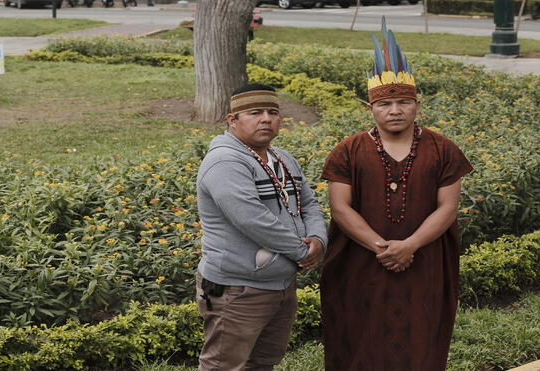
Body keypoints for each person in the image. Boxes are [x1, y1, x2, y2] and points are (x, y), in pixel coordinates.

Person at [320, 18, 473, 370]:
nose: (395, 110)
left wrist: (410, 246)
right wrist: (383, 248)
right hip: (361, 263)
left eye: (404, 102)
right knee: (360, 336)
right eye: (385, 105)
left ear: (417, 104)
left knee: (421, 337)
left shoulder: (443, 149)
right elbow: (341, 209)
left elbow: (448, 207)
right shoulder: (348, 150)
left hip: (425, 262)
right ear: (370, 108)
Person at [195, 83, 328, 371]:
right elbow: (251, 218)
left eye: (273, 112)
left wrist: (318, 238)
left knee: (263, 362)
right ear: (232, 120)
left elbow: (309, 202)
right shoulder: (224, 161)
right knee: (223, 365)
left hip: (280, 284)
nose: (266, 118)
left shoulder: (282, 158)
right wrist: (300, 252)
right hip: (238, 289)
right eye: (255, 112)